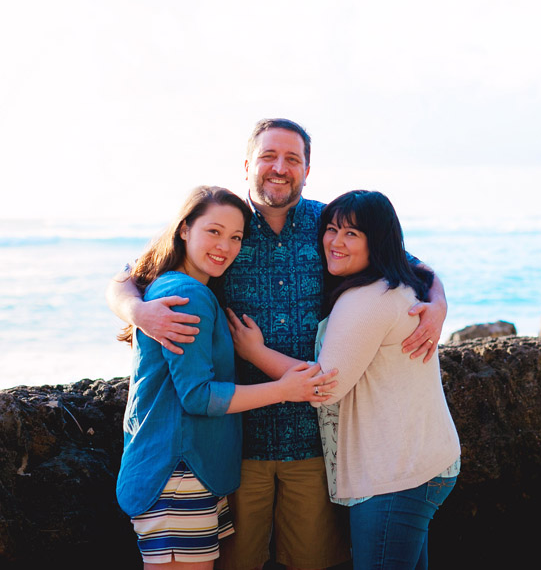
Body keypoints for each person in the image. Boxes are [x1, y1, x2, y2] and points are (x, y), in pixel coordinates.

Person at [106, 119, 448, 570]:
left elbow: (405, 263)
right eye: (269, 156)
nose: (280, 168)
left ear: (307, 169)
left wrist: (438, 300)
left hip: (313, 441)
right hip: (236, 444)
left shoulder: (329, 225)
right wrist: (136, 311)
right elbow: (132, 274)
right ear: (248, 164)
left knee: (313, 562)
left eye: (292, 159)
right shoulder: (225, 223)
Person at [228, 190, 460, 570]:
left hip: (394, 474)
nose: (336, 242)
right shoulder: (396, 284)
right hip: (420, 462)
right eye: (332, 230)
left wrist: (254, 351)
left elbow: (325, 386)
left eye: (352, 234)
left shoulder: (367, 299)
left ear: (377, 241)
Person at [116, 185, 338, 569]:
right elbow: (198, 396)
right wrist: (284, 389)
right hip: (178, 473)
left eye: (236, 237)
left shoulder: (178, 284)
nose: (225, 246)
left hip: (185, 469)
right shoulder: (186, 294)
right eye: (214, 232)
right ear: (184, 229)